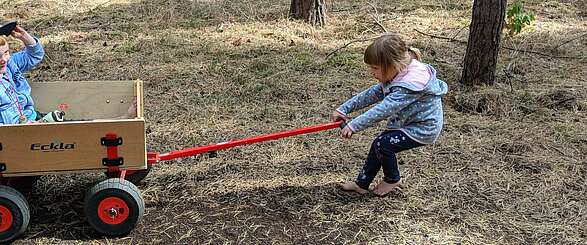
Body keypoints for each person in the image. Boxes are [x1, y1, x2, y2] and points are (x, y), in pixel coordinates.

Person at [331, 33, 448, 196]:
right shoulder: (397, 73)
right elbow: (372, 94)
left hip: (423, 128)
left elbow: (383, 109)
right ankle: (362, 184)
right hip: (407, 122)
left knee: (383, 145)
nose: (371, 72)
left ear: (393, 65)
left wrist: (353, 125)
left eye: (375, 68)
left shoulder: (408, 85)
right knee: (378, 145)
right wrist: (344, 109)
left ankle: (392, 179)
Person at [0, 24, 44, 125]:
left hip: (30, 117)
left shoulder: (11, 63)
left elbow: (35, 55)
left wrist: (24, 36)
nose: (4, 60)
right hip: (10, 131)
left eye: (6, 53)